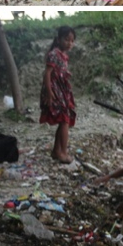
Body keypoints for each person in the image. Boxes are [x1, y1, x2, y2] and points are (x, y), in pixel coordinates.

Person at [40, 27, 78, 164]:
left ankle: (57, 151)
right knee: (64, 120)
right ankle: (63, 153)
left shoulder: (63, 55)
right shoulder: (54, 54)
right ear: (59, 39)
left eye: (72, 41)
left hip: (63, 90)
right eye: (67, 39)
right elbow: (47, 74)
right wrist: (49, 93)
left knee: (64, 120)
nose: (69, 43)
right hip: (55, 90)